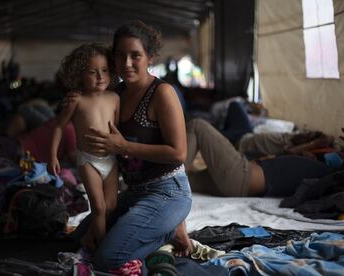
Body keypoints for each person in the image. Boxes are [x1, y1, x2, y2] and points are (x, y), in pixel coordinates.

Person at [69, 21, 192, 271]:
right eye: (120, 55)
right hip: (135, 192)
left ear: (151, 57)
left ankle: (169, 231)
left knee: (106, 258)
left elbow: (179, 153)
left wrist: (124, 146)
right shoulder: (116, 93)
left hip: (167, 191)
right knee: (79, 239)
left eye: (135, 55)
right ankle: (164, 226)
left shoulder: (162, 93)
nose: (126, 63)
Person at [49, 43, 120, 251]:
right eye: (92, 71)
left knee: (111, 206)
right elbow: (59, 127)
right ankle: (102, 251)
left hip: (111, 160)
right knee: (98, 208)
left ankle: (89, 237)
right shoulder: (76, 100)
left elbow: (117, 130)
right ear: (80, 74)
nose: (100, 77)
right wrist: (52, 156)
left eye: (105, 70)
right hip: (88, 160)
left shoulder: (114, 98)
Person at [185, 117, 332, 197]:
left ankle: (171, 179)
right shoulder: (310, 167)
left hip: (240, 176)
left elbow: (291, 153)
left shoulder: (325, 171)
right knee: (184, 180)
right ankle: (168, 182)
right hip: (233, 182)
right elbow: (290, 153)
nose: (307, 155)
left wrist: (314, 144)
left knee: (197, 125)